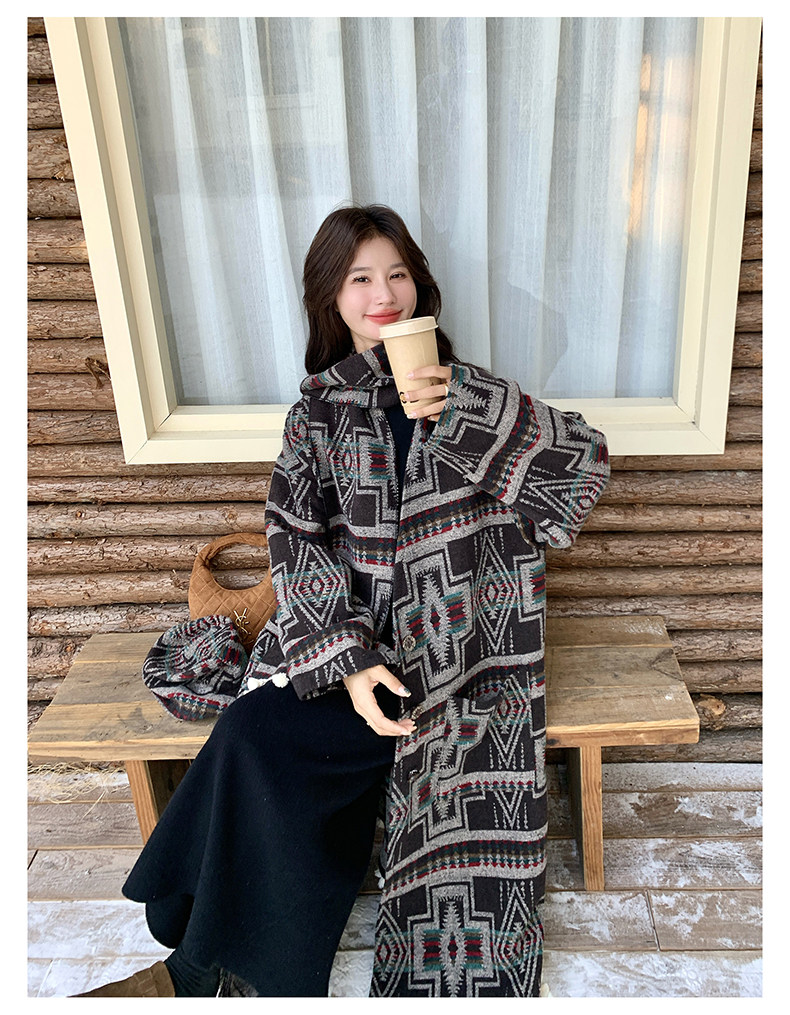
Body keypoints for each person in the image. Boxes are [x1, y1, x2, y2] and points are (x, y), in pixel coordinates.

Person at [75, 204, 610, 998]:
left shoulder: (469, 391)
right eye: (360, 278)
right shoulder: (318, 414)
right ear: (331, 295)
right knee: (256, 734)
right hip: (351, 651)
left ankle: (192, 968)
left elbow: (582, 474)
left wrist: (472, 412)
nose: (383, 293)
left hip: (465, 657)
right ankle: (203, 967)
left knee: (279, 757)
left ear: (421, 286)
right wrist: (351, 663)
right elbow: (296, 541)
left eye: (397, 274)